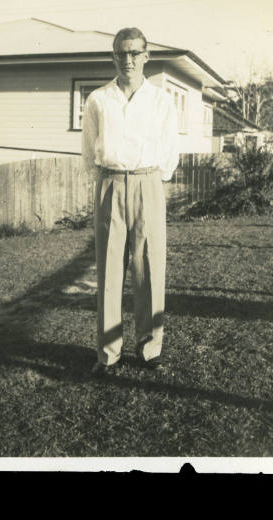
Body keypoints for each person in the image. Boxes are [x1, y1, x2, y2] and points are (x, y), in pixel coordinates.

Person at [81, 27, 179, 376]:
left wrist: (152, 182)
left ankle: (151, 351)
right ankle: (109, 353)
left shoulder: (162, 100)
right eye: (122, 53)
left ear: (146, 56)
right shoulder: (98, 99)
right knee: (109, 271)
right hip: (109, 184)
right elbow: (89, 149)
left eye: (135, 53)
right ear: (113, 57)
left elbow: (169, 148)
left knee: (149, 268)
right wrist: (107, 183)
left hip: (148, 183)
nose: (128, 60)